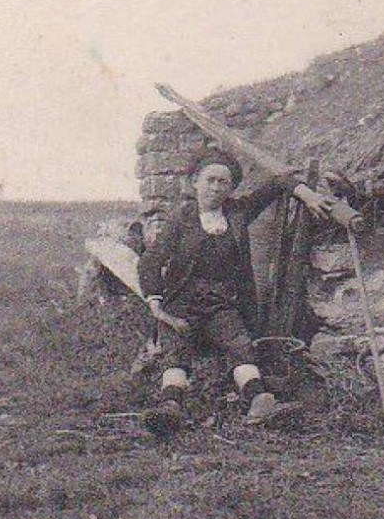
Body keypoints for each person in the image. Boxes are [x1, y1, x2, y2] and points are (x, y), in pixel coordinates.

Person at [137, 146, 338, 435]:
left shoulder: (238, 212)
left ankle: (260, 403)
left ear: (231, 188)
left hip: (222, 303)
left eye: (224, 183)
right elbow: (150, 261)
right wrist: (155, 302)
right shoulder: (181, 219)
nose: (216, 188)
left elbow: (279, 183)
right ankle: (171, 408)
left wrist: (305, 194)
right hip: (180, 303)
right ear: (195, 182)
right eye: (210, 180)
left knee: (239, 343)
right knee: (176, 351)